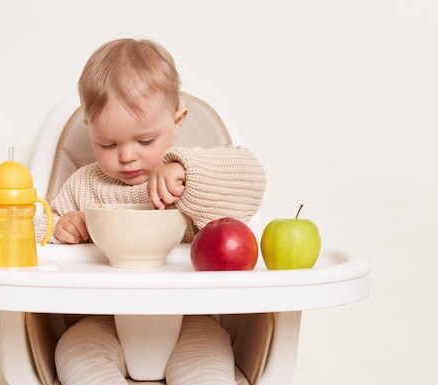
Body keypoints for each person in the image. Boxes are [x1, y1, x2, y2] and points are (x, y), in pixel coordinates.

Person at [34, 38, 266, 385]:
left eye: (144, 141)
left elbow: (251, 179)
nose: (127, 156)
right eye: (108, 144)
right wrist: (60, 229)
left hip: (189, 319)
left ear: (177, 122)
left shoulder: (187, 178)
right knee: (74, 349)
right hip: (104, 320)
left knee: (208, 364)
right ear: (90, 130)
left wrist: (187, 170)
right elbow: (33, 234)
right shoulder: (84, 187)